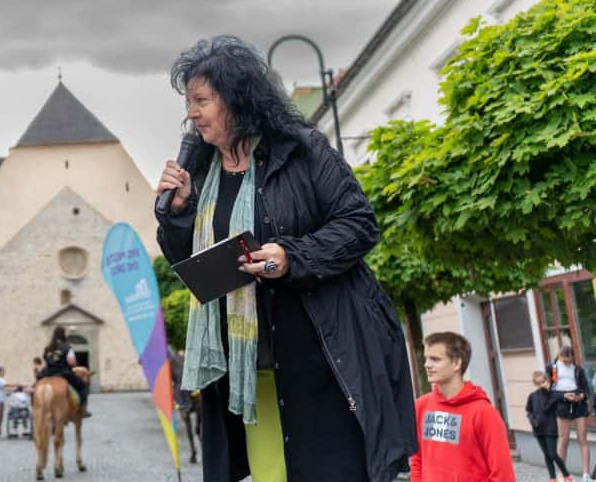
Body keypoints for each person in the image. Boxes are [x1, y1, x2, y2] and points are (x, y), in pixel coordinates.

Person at [155, 36, 416, 482]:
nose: (191, 113)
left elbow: (358, 223)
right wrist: (177, 214)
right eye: (188, 103)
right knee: (270, 475)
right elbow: (190, 265)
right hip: (248, 362)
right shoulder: (199, 171)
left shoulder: (301, 150)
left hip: (321, 353)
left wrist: (292, 256)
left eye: (202, 100)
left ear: (237, 98)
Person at [410, 332, 515, 481]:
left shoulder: (484, 413)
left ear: (456, 363)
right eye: (426, 358)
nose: (427, 364)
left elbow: (503, 475)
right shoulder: (421, 406)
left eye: (435, 359)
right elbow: (417, 461)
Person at [548, 345, 591, 481]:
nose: (567, 363)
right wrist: (564, 396)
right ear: (559, 357)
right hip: (563, 405)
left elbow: (587, 390)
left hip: (579, 405)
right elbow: (548, 392)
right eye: (564, 361)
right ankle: (562, 474)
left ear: (573, 358)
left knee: (582, 437)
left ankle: (586, 475)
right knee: (564, 440)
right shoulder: (553, 369)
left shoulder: (578, 369)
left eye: (569, 361)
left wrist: (582, 396)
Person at [527, 370, 571, 482]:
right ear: (536, 384)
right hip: (538, 429)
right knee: (547, 455)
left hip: (550, 428)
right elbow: (529, 411)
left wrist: (567, 396)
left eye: (545, 381)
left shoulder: (553, 394)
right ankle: (552, 478)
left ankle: (567, 475)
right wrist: (533, 421)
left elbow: (558, 398)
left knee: (552, 454)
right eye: (540, 383)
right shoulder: (532, 396)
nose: (544, 384)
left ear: (548, 380)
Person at [39, 326, 90, 416]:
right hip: (63, 373)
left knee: (35, 386)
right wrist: (75, 363)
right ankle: (81, 409)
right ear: (63, 334)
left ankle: (35, 406)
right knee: (83, 387)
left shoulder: (48, 348)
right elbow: (71, 362)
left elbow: (46, 362)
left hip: (48, 372)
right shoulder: (67, 347)